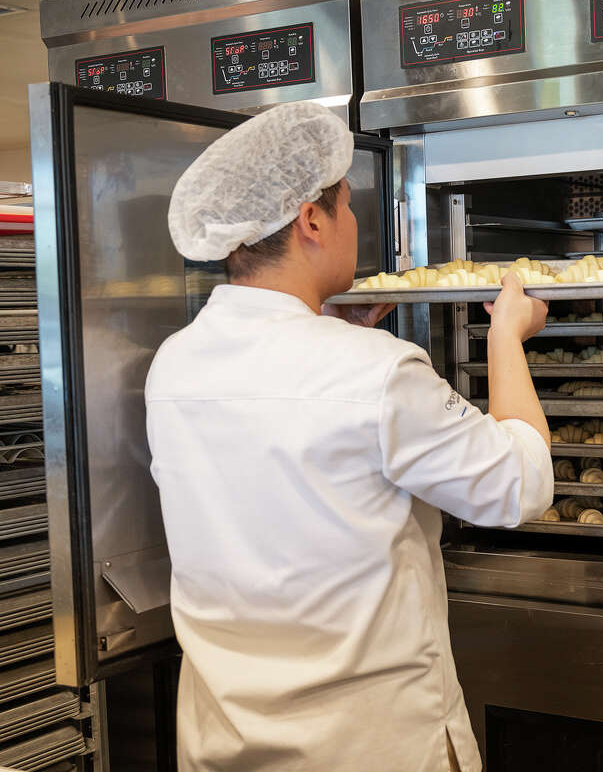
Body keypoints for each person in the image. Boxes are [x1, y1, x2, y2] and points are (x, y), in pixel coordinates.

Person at [146, 102, 553, 772]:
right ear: (311, 219)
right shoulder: (376, 373)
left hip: (225, 741)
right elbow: (520, 487)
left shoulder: (174, 364)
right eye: (346, 206)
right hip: (369, 745)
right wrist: (506, 335)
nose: (354, 224)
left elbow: (285, 473)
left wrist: (345, 339)